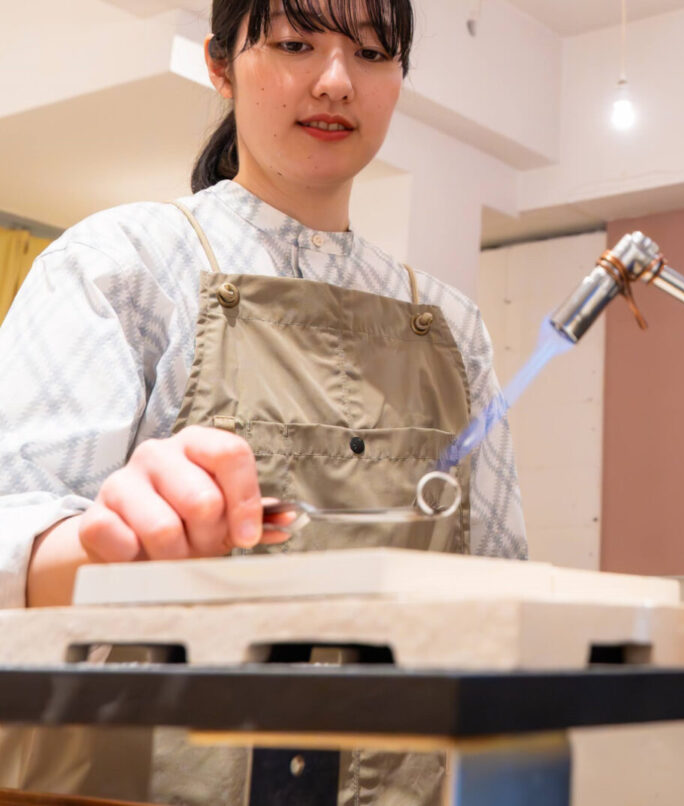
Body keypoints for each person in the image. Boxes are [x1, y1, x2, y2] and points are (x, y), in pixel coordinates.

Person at [0, 0, 526, 802]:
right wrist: (107, 542)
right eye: (293, 43)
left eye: (373, 53)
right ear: (220, 65)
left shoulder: (455, 328)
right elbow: (13, 538)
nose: (336, 81)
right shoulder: (120, 264)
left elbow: (498, 595)